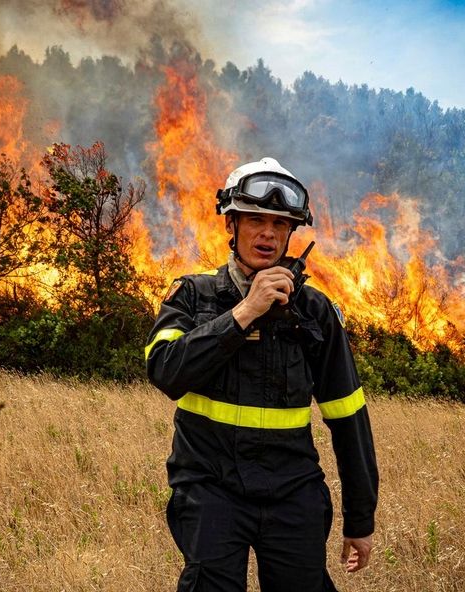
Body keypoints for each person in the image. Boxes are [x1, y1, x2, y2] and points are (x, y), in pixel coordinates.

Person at [145, 157, 379, 591]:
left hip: (293, 491)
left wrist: (360, 518)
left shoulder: (315, 312)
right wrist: (245, 312)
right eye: (255, 220)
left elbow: (349, 418)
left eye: (280, 223)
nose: (268, 233)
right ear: (231, 225)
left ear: (292, 234)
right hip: (210, 486)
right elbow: (165, 371)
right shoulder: (193, 297)